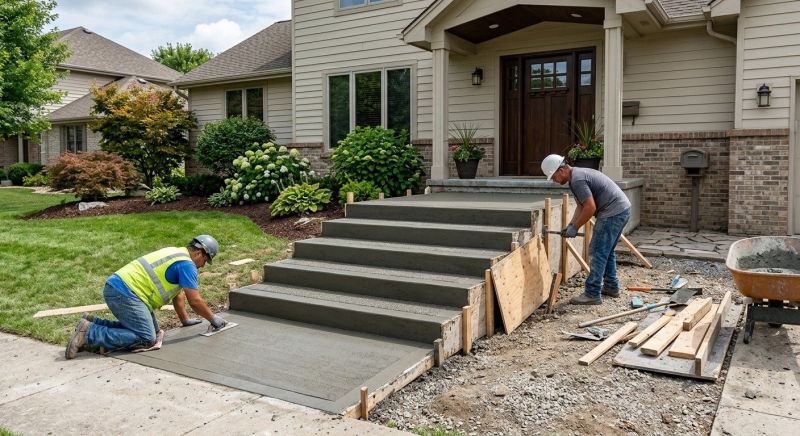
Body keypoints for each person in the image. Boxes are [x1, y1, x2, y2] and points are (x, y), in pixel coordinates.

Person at [65, 235, 228, 359]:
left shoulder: (176, 252)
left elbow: (178, 294)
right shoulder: (187, 265)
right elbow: (195, 301)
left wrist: (184, 320)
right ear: (199, 253)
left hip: (121, 288)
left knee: (154, 332)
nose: (203, 266)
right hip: (125, 293)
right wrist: (213, 319)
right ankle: (90, 333)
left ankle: (93, 323)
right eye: (205, 261)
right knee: (146, 338)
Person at [541, 154, 631, 305]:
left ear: (561, 170)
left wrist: (576, 227)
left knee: (597, 252)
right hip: (622, 209)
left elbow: (590, 208)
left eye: (554, 177)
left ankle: (592, 293)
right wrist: (571, 225)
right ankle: (611, 286)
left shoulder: (577, 180)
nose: (554, 181)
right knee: (607, 251)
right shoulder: (576, 177)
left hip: (612, 212)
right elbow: (581, 206)